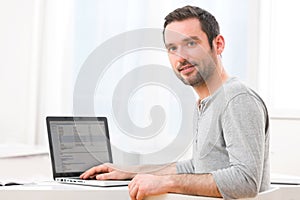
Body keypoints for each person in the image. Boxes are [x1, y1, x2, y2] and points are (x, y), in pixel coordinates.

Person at [80, 5, 270, 200]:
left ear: (218, 44)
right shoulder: (206, 103)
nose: (181, 57)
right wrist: (130, 171)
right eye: (172, 48)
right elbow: (198, 167)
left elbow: (246, 181)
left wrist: (166, 182)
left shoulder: (236, 98)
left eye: (191, 44)